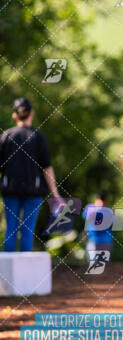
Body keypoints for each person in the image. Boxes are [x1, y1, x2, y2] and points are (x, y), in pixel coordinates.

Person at [0, 98, 61, 251]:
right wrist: (56, 194)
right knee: (27, 231)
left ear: (15, 116)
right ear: (31, 114)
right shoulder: (38, 137)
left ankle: (7, 274)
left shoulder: (6, 136)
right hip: (34, 192)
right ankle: (24, 273)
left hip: (10, 190)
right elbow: (47, 168)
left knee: (11, 230)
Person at [82, 191, 113, 262]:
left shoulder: (108, 211)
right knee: (93, 266)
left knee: (104, 267)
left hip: (105, 242)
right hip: (93, 241)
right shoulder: (90, 208)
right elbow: (87, 218)